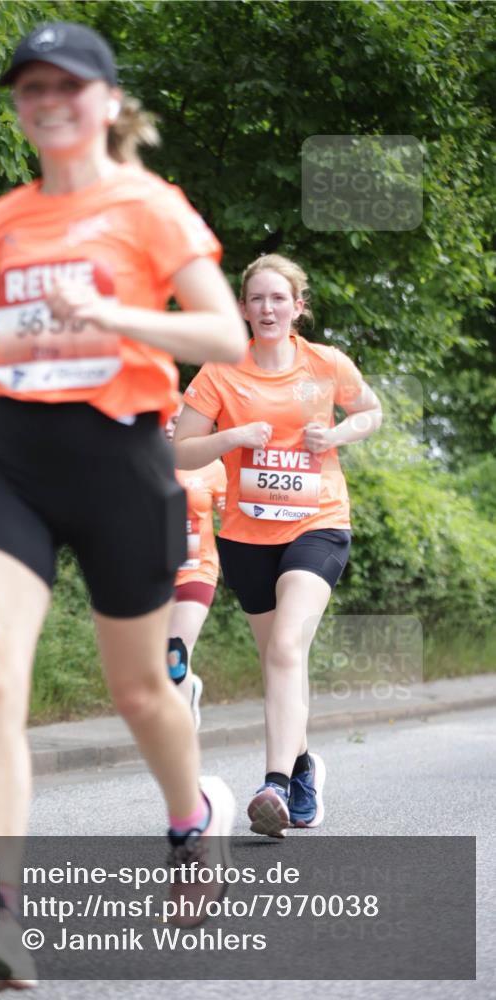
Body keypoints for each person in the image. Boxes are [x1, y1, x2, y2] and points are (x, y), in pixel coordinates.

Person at [0, 21, 246, 992]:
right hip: (12, 459)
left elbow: (225, 333)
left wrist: (119, 317)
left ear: (107, 103)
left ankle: (191, 817)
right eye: (29, 87)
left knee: (138, 691)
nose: (47, 100)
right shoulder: (4, 218)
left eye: (67, 85)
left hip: (125, 462)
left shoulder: (150, 207)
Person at [174, 253, 382, 839]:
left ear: (298, 307)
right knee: (276, 661)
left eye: (278, 299)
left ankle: (275, 785)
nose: (268, 308)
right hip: (246, 535)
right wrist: (233, 436)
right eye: (257, 299)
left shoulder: (325, 363)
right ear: (243, 308)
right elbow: (182, 449)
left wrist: (336, 432)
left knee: (288, 646)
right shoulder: (221, 370)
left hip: (318, 523)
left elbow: (370, 411)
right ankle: (305, 763)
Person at [164, 405, 226, 729]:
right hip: (151, 575)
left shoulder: (211, 468)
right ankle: (190, 687)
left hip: (196, 569)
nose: (169, 425)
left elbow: (233, 521)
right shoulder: (139, 461)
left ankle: (181, 738)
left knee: (174, 652)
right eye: (164, 418)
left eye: (176, 419)